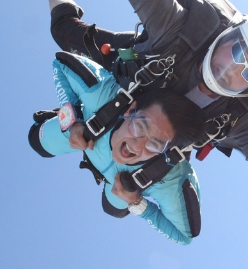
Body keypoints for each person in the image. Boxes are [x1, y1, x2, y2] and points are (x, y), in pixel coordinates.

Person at [14, 0, 248, 201]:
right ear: (229, 34)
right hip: (132, 70)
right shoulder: (175, 27)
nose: (234, 68)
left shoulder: (239, 119)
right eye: (238, 51)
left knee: (121, 196)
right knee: (65, 32)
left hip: (143, 135)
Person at [27, 52, 207, 245]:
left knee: (113, 209)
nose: (136, 145)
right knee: (37, 141)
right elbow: (60, 62)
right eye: (140, 126)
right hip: (86, 129)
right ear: (130, 109)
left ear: (167, 150)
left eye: (155, 144)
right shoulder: (102, 97)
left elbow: (185, 237)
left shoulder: (168, 177)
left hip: (121, 184)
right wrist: (71, 122)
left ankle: (79, 115)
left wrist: (138, 204)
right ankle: (77, 112)